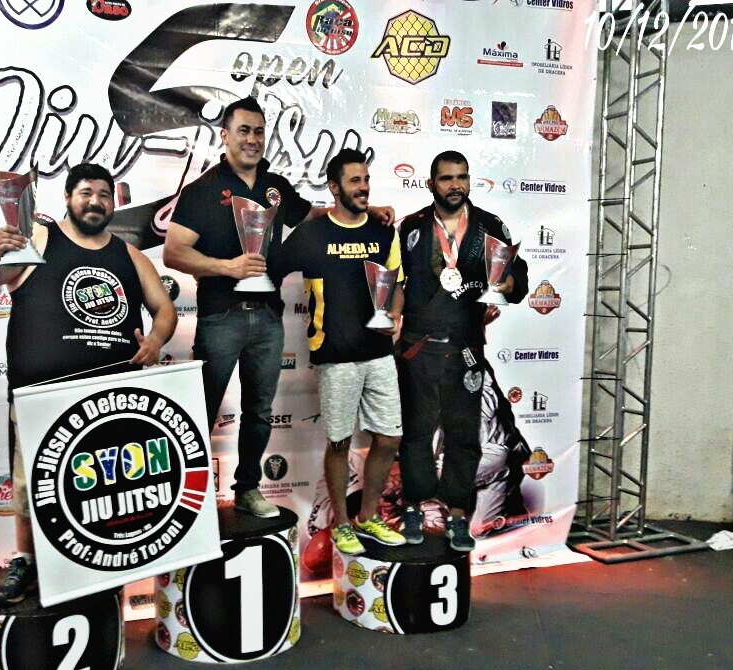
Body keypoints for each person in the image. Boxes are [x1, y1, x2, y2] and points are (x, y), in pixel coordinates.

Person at [163, 96, 393, 518]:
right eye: (243, 131)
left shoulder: (275, 185)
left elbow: (313, 216)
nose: (252, 139)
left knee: (260, 412)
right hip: (220, 316)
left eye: (258, 131)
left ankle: (247, 489)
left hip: (269, 315)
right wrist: (226, 267)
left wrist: (364, 208)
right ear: (224, 135)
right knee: (203, 410)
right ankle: (185, 498)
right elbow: (174, 252)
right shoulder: (201, 190)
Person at [0, 163, 177, 609]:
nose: (95, 201)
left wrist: (156, 340)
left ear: (113, 202)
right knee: (29, 486)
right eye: (86, 193)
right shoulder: (37, 239)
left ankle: (97, 561)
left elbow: (164, 309)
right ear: (67, 197)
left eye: (104, 194)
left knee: (100, 490)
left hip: (108, 403)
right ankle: (26, 560)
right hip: (41, 397)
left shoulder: (130, 255)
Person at [272, 149, 405, 555]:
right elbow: (271, 269)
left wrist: (395, 315)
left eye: (366, 180)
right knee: (339, 443)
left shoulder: (384, 232)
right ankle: (342, 524)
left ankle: (369, 516)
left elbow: (398, 283)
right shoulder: (312, 234)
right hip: (334, 355)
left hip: (379, 353)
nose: (363, 187)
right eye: (354, 181)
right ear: (334, 187)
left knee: (389, 438)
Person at [396, 150, 528, 551]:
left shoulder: (490, 226)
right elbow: (394, 281)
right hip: (418, 346)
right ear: (430, 183)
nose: (455, 185)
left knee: (463, 434)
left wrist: (506, 284)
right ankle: (414, 508)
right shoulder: (411, 227)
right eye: (447, 178)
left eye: (462, 177)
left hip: (465, 346)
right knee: (416, 433)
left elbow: (517, 279)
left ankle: (456, 515)